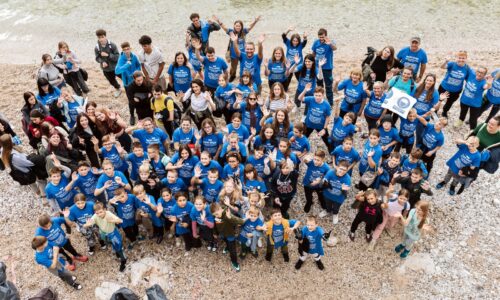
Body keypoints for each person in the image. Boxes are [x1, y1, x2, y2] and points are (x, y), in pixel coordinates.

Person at [213, 15, 261, 82]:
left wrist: (255, 21)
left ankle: (244, 77)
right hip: (234, 54)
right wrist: (218, 21)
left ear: (241, 27)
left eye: (239, 26)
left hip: (243, 54)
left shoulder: (244, 32)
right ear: (234, 26)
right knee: (233, 68)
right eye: (236, 25)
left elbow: (250, 27)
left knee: (245, 66)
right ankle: (232, 76)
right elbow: (224, 28)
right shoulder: (231, 32)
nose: (238, 27)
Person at [83, 202, 127, 271]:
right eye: (97, 213)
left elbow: (120, 220)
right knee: (109, 243)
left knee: (118, 246)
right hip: (104, 233)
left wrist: (112, 220)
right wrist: (86, 225)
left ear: (105, 209)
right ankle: (116, 251)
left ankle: (123, 260)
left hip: (113, 233)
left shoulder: (108, 214)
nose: (99, 215)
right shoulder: (95, 216)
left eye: (101, 212)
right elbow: (87, 224)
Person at [369, 186, 410, 250]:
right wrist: (390, 190)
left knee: (391, 224)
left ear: (408, 198)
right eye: (401, 198)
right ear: (398, 196)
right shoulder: (394, 197)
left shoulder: (407, 205)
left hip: (395, 216)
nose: (402, 200)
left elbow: (405, 211)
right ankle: (373, 240)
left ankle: (388, 229)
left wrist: (401, 218)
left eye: (404, 199)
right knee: (380, 226)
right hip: (386, 213)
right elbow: (387, 194)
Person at [210, 202, 244, 271]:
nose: (216, 216)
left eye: (216, 214)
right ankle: (227, 247)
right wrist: (215, 233)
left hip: (230, 235)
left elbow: (241, 222)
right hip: (222, 234)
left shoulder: (227, 214)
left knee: (233, 250)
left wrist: (230, 217)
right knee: (226, 242)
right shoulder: (215, 216)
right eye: (214, 215)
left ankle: (234, 262)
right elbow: (215, 224)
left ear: (220, 209)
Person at [439, 51, 472, 118]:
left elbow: (468, 79)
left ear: (466, 59)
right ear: (456, 58)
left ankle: (444, 112)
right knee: (439, 99)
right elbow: (442, 67)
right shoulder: (452, 64)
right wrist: (446, 61)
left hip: (456, 90)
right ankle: (435, 111)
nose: (461, 60)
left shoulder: (467, 68)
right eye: (459, 58)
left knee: (449, 102)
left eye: (463, 58)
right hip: (444, 87)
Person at [94, 29, 121, 97]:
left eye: (102, 37)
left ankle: (130, 87)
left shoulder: (112, 45)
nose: (101, 39)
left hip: (116, 67)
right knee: (111, 80)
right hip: (106, 69)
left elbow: (117, 57)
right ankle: (118, 88)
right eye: (99, 37)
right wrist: (102, 62)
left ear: (105, 36)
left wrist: (108, 55)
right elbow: (97, 58)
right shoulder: (97, 47)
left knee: (124, 77)